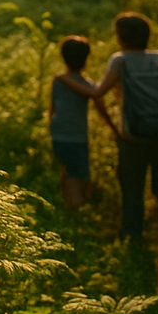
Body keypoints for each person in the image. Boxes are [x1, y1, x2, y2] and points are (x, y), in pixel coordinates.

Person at [60, 12, 158, 269]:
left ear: (121, 39)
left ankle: (132, 241)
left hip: (133, 137)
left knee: (132, 190)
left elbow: (98, 93)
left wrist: (65, 79)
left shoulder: (120, 60)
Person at [50, 35, 122, 210]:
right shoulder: (87, 85)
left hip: (58, 135)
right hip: (76, 137)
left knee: (67, 175)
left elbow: (52, 110)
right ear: (86, 58)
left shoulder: (59, 81)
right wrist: (115, 130)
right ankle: (76, 213)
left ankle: (70, 211)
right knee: (76, 177)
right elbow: (102, 110)